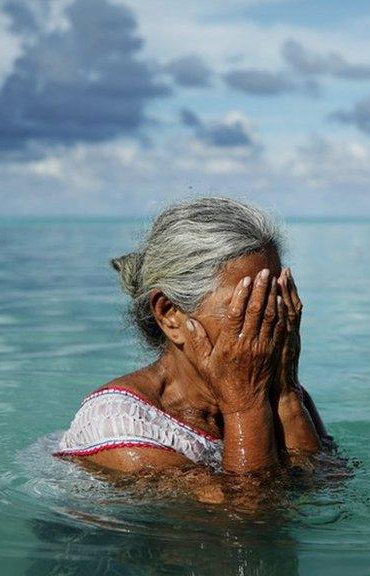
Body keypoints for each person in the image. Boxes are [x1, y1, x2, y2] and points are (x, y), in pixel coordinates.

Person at [55, 197, 331, 484]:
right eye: (250, 302)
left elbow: (326, 491)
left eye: (277, 295)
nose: (274, 316)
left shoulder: (276, 389)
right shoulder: (120, 429)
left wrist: (286, 395)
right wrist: (244, 407)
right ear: (170, 314)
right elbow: (246, 522)